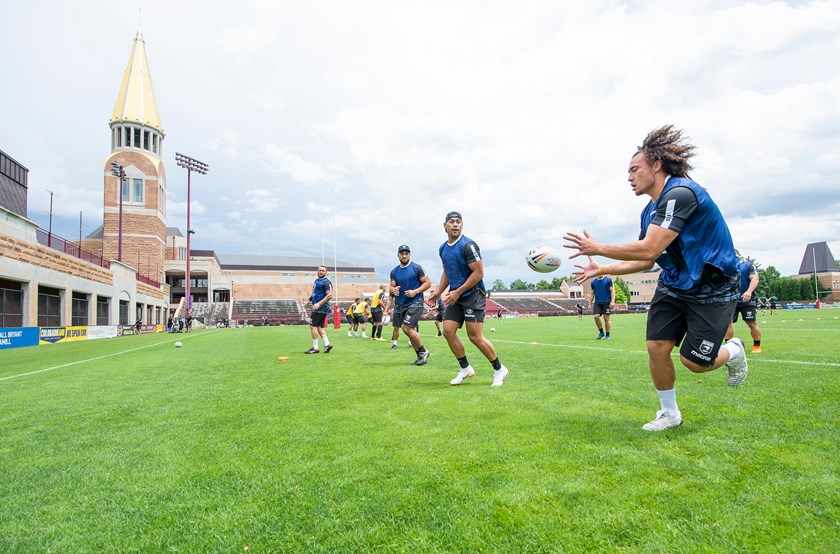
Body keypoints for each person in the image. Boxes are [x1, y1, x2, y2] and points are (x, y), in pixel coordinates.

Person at [563, 125, 747, 431]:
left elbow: (650, 246)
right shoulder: (649, 212)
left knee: (695, 362)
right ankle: (670, 413)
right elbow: (647, 259)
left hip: (712, 289)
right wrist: (602, 267)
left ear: (657, 165)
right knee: (656, 347)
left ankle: (735, 351)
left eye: (635, 169)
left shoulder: (681, 193)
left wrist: (597, 248)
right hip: (674, 286)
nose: (629, 177)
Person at [427, 211, 509, 386]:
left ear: (462, 225)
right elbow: (447, 271)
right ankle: (465, 368)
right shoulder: (443, 248)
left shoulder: (468, 246)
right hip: (456, 295)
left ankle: (499, 369)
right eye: (452, 222)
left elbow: (479, 273)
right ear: (445, 226)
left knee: (474, 337)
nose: (455, 224)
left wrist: (457, 292)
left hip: (473, 294)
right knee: (448, 331)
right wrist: (438, 291)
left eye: (458, 222)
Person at [390, 244, 432, 365]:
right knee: (410, 330)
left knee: (406, 327)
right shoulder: (394, 271)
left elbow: (428, 283)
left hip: (416, 302)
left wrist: (415, 291)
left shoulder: (417, 268)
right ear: (398, 255)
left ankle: (423, 351)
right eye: (402, 253)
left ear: (409, 254)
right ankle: (420, 356)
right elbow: (392, 286)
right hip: (401, 303)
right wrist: (393, 290)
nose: (404, 256)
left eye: (406, 253)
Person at [725, 250, 762, 353]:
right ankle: (728, 347)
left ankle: (756, 346)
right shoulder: (726, 267)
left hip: (747, 300)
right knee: (727, 323)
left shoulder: (747, 265)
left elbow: (755, 278)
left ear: (739, 255)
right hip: (731, 300)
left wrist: (749, 292)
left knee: (751, 323)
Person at [304, 265, 334, 354]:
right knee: (319, 326)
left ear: (326, 272)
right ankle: (327, 344)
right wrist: (308, 300)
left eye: (323, 271)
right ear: (317, 271)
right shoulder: (317, 280)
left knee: (312, 326)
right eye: (319, 270)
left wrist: (318, 304)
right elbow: (315, 293)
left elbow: (330, 295)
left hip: (321, 307)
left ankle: (315, 348)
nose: (321, 272)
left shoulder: (326, 282)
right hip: (319, 306)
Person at [589, 274, 615, 339]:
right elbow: (592, 293)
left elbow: (612, 291)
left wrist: (612, 301)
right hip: (597, 302)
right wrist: (590, 303)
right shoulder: (593, 282)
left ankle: (608, 335)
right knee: (596, 317)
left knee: (606, 318)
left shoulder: (608, 280)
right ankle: (601, 332)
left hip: (606, 302)